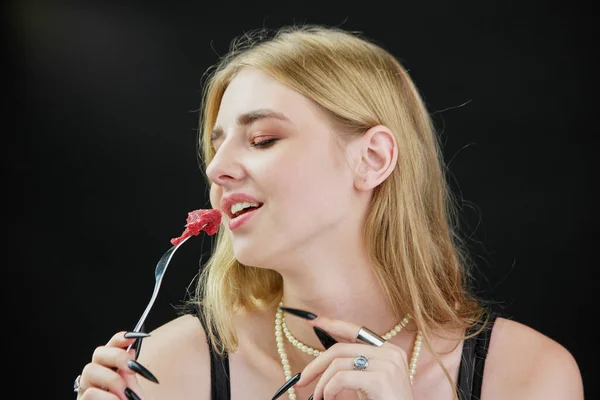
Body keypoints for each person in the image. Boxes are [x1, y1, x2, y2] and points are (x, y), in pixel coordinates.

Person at [73, 24, 584, 400]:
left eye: (263, 139)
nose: (218, 169)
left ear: (373, 159)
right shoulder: (166, 370)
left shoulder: (528, 376)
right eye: (216, 145)